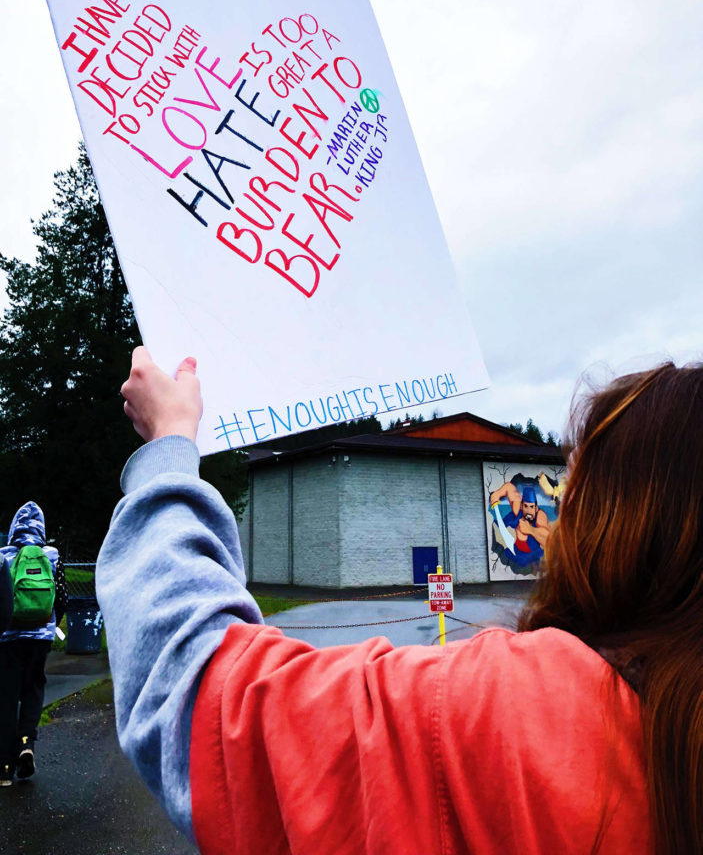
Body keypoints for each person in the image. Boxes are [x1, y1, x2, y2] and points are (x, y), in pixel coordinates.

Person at [96, 350, 703, 854]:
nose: (559, 508)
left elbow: (202, 699)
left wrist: (170, 447)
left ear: (620, 521)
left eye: (579, 483)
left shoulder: (514, 717)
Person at [0, 502, 67, 786]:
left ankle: (3, 769)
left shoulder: (4, 556)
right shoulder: (51, 556)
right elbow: (61, 598)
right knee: (34, 688)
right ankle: (27, 742)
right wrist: (50, 626)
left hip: (8, 638)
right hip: (41, 637)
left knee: (5, 697)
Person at [489, 480, 552, 566]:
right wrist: (497, 494)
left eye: (531, 507)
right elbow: (509, 487)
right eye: (526, 506)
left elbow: (549, 540)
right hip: (516, 552)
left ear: (536, 508)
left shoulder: (540, 516)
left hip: (533, 556)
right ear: (522, 506)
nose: (528, 511)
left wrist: (530, 530)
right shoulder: (518, 510)